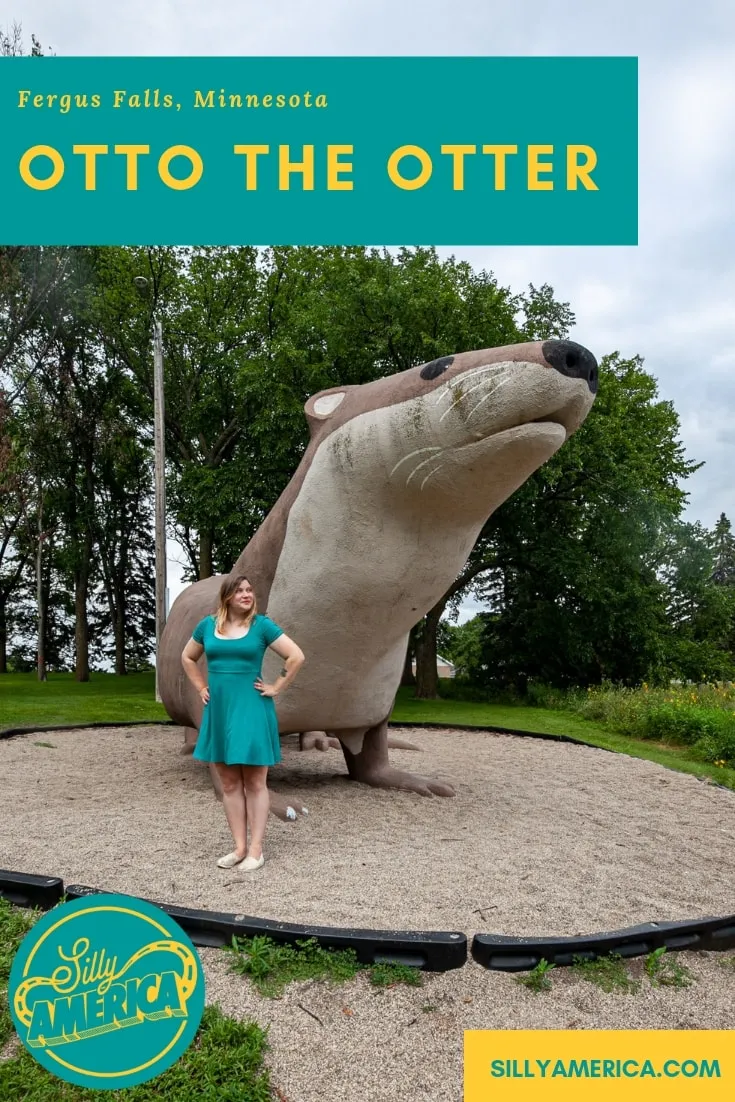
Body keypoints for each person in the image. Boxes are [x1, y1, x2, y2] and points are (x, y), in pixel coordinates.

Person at [181, 573, 305, 872]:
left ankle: (256, 850)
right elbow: (187, 657)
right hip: (220, 710)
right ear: (227, 596)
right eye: (239, 591)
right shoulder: (208, 625)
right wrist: (200, 687)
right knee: (228, 782)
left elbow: (296, 656)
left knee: (255, 781)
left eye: (249, 590)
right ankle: (238, 847)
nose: (246, 595)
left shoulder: (262, 626)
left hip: (251, 708)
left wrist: (276, 686)